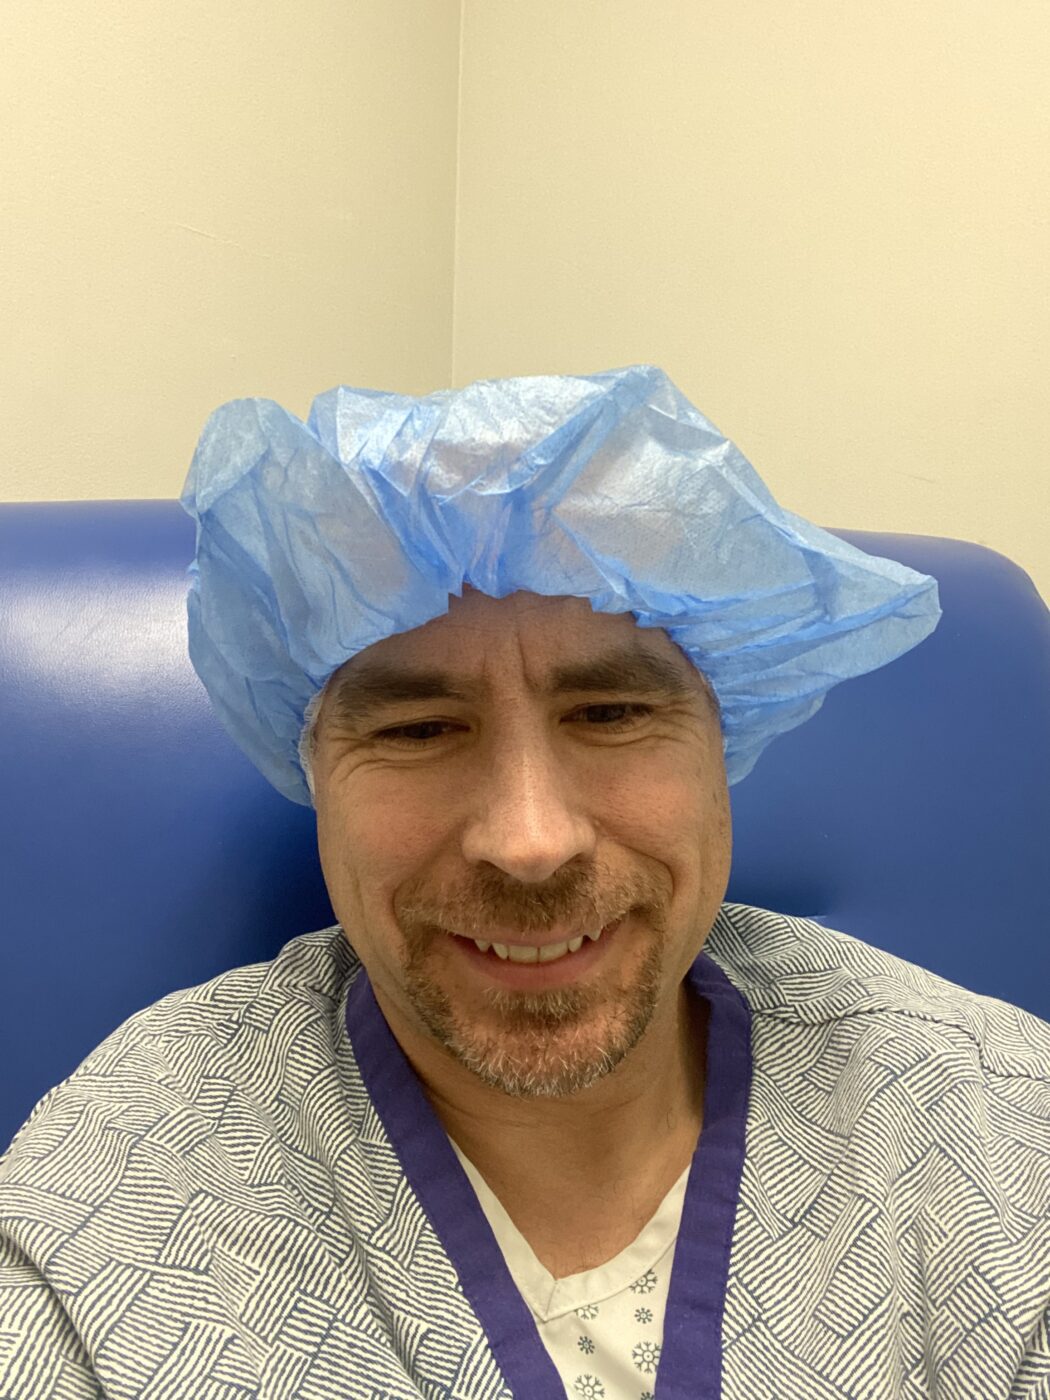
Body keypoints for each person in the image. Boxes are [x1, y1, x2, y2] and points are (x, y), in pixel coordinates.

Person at [1, 366, 1047, 1400]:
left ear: (721, 744)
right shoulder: (119, 1190)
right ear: (314, 773)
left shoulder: (990, 1125)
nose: (530, 840)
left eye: (611, 713)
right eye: (418, 729)